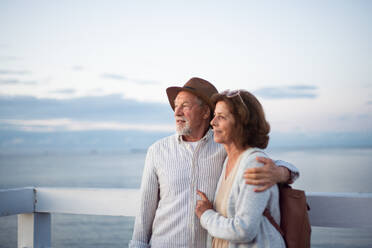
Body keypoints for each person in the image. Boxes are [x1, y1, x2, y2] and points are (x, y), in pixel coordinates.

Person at [129, 78, 298, 248]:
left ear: (205, 113)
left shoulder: (226, 146)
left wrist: (282, 173)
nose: (176, 112)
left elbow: (262, 161)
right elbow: (145, 211)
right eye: (175, 105)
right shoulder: (157, 151)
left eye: (185, 106)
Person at [195, 89, 285, 247]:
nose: (212, 122)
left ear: (242, 123)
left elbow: (244, 230)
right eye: (214, 115)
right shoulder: (228, 160)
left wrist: (206, 216)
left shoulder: (254, 164)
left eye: (221, 117)